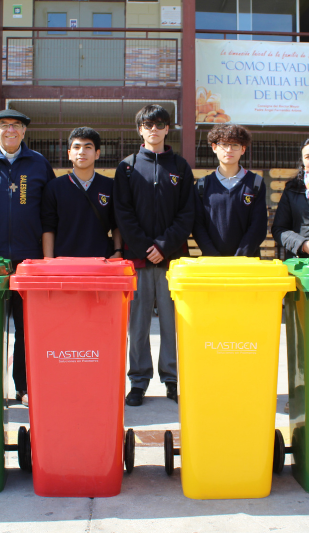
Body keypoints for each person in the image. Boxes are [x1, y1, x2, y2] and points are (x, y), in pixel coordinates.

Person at [0, 109, 56, 408]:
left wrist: (47, 259)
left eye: (16, 126)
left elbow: (50, 211)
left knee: (27, 330)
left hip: (29, 263)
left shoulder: (39, 164)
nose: (10, 130)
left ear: (25, 132)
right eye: (4, 126)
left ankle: (23, 386)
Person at [114, 104, 194, 406]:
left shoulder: (181, 167)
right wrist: (146, 247)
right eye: (148, 125)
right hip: (138, 259)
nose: (154, 130)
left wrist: (164, 246)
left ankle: (172, 379)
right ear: (140, 130)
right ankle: (138, 381)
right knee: (138, 326)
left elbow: (187, 213)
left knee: (173, 324)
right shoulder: (128, 166)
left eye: (160, 124)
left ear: (167, 129)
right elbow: (123, 212)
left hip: (172, 261)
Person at [41, 127, 122, 259]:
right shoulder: (54, 187)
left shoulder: (110, 186)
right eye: (76, 147)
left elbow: (116, 224)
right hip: (64, 263)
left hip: (101, 262)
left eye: (88, 147)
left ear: (97, 153)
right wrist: (49, 261)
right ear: (69, 153)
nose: (81, 152)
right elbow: (48, 228)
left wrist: (118, 251)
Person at [192, 123, 266, 257]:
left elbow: (258, 226)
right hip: (213, 263)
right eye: (224, 144)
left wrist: (240, 257)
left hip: (247, 263)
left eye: (235, 145)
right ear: (214, 148)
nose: (229, 150)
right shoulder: (202, 185)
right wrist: (213, 256)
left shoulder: (256, 183)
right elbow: (198, 226)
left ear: (243, 149)